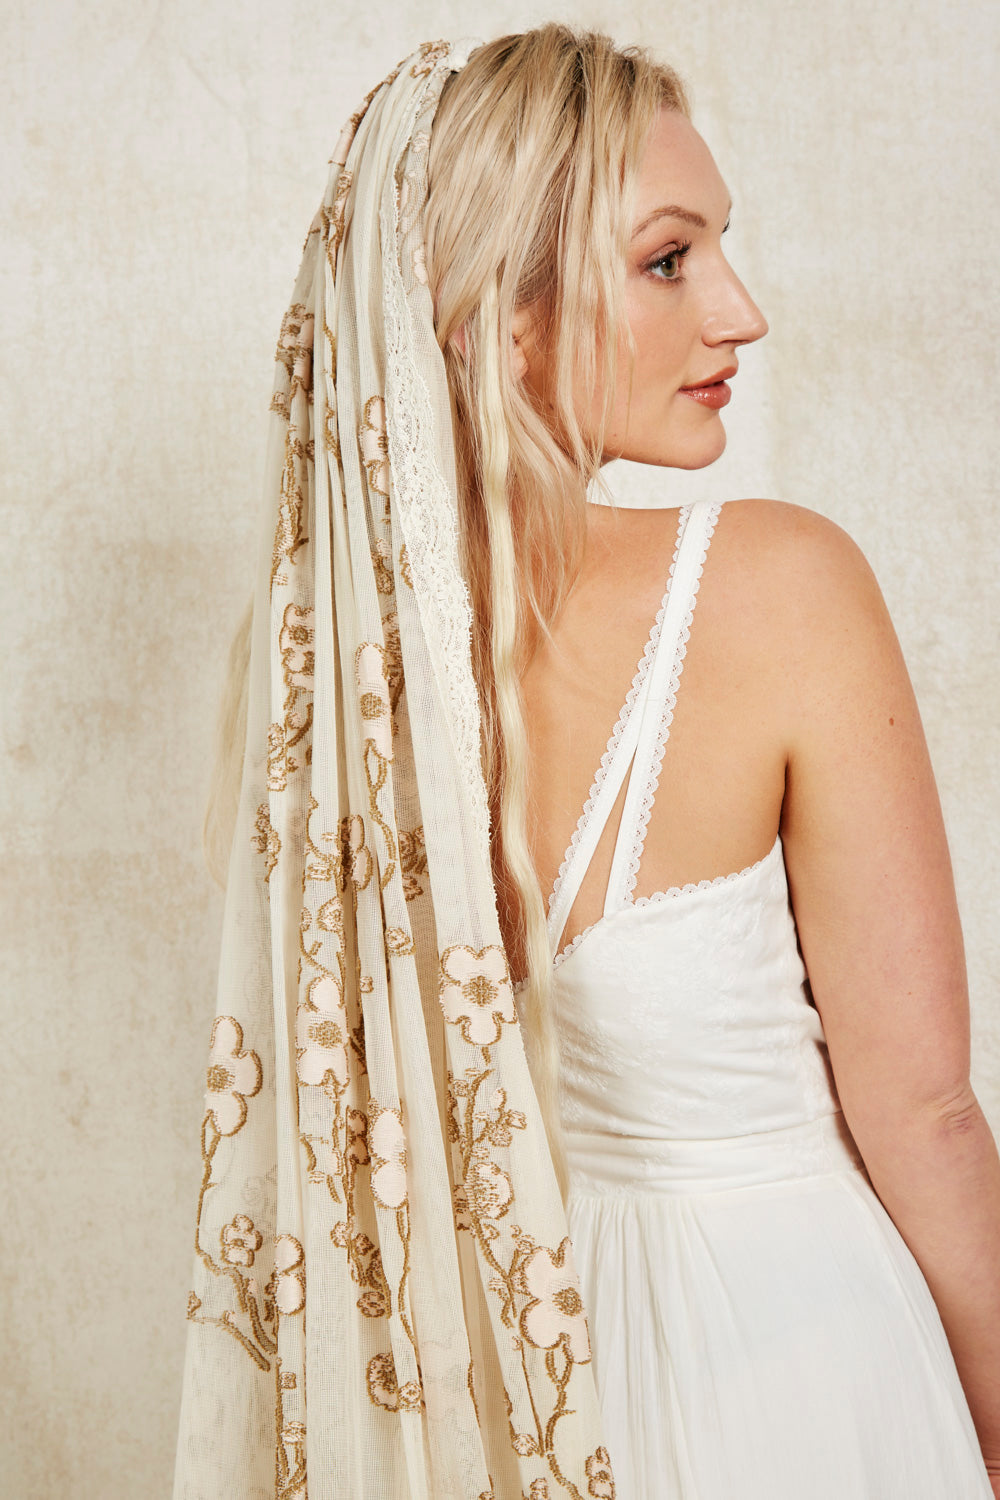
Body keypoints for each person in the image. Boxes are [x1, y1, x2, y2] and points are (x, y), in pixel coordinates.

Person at [174, 26, 1000, 1500]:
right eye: (669, 260)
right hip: (797, 1370)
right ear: (505, 316)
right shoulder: (782, 583)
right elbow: (926, 1114)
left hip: (513, 1402)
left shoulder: (324, 679)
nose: (740, 313)